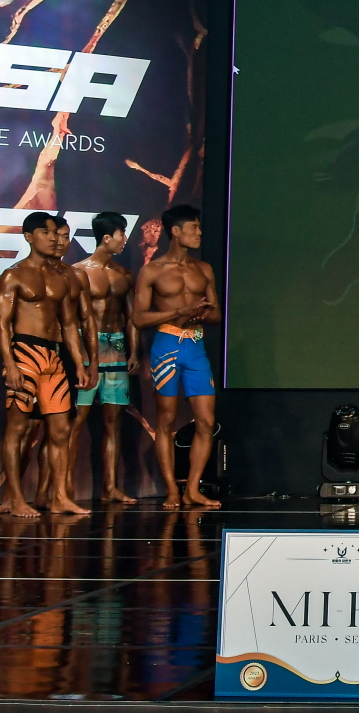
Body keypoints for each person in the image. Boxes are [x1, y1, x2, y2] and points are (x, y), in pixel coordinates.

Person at [0, 212, 92, 517]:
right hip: (24, 353)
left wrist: (80, 364)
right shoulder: (13, 275)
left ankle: (59, 497)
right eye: (45, 232)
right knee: (17, 428)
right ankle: (15, 498)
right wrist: (9, 363)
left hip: (53, 357)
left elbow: (69, 324)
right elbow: (2, 325)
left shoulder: (61, 277)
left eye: (55, 232)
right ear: (28, 237)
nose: (53, 238)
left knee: (61, 430)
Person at [135, 204, 221, 509]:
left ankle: (192, 490)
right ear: (176, 231)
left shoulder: (204, 269)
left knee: (206, 421)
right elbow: (139, 318)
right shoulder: (152, 271)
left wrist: (202, 313)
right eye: (194, 227)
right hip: (167, 346)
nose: (199, 233)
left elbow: (217, 315)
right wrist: (179, 312)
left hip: (195, 347)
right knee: (166, 420)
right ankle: (172, 490)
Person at [69, 212, 140, 505]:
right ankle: (63, 489)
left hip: (117, 347)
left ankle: (110, 487)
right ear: (107, 237)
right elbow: (70, 319)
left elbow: (131, 317)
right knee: (77, 419)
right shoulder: (78, 272)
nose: (125, 239)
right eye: (122, 234)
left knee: (114, 421)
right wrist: (79, 356)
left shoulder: (124, 274)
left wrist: (134, 351)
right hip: (88, 348)